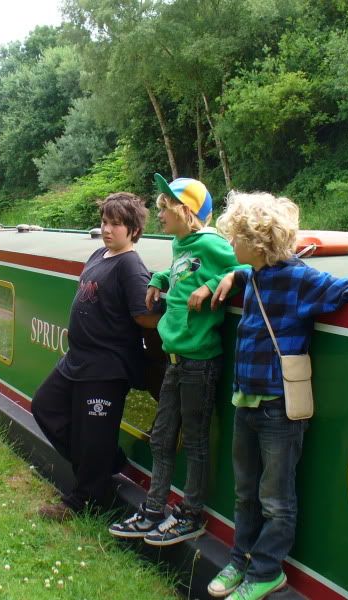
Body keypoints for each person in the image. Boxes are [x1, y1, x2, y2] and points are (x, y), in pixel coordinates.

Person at [206, 192, 348, 600]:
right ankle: (240, 559)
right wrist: (231, 276)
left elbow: (346, 288)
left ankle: (267, 572)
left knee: (275, 497)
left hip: (278, 409)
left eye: (236, 237)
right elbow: (249, 276)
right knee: (244, 490)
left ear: (259, 241)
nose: (230, 244)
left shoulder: (298, 279)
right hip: (245, 401)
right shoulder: (255, 274)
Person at [109, 174, 240, 545]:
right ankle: (154, 509)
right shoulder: (182, 243)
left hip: (200, 361)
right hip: (175, 358)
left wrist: (214, 285)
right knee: (162, 437)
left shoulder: (212, 243)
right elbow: (185, 270)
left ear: (187, 211)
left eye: (166, 207)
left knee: (196, 442)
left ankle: (191, 514)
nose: (160, 212)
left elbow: (245, 268)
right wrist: (160, 278)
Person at [32, 192, 160, 521]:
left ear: (133, 230)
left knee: (94, 437)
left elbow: (145, 316)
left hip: (106, 366)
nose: (106, 229)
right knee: (45, 407)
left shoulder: (131, 266)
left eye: (115, 224)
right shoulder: (99, 255)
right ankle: (107, 465)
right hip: (77, 359)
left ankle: (83, 499)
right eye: (104, 222)